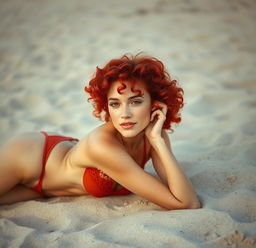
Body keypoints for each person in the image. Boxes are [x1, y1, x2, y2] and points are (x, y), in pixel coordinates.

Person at [0, 54, 200, 210]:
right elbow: (185, 203)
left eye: (136, 102)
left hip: (41, 191)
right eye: (115, 104)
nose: (125, 114)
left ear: (155, 104)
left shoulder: (154, 136)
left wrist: (158, 141)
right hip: (31, 156)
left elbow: (187, 200)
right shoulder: (102, 145)